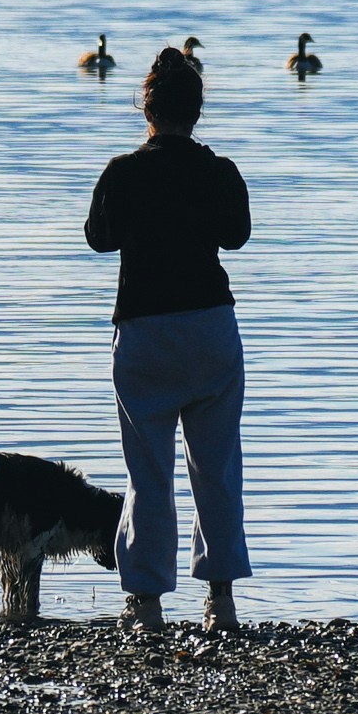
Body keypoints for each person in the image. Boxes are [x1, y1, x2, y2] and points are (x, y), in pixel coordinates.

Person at [85, 45, 252, 632]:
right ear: (197, 111)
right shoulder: (220, 171)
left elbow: (98, 240)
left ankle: (147, 603)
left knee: (148, 472)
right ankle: (221, 601)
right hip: (210, 327)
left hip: (145, 332)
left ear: (146, 110)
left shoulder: (122, 172)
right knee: (217, 467)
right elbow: (238, 236)